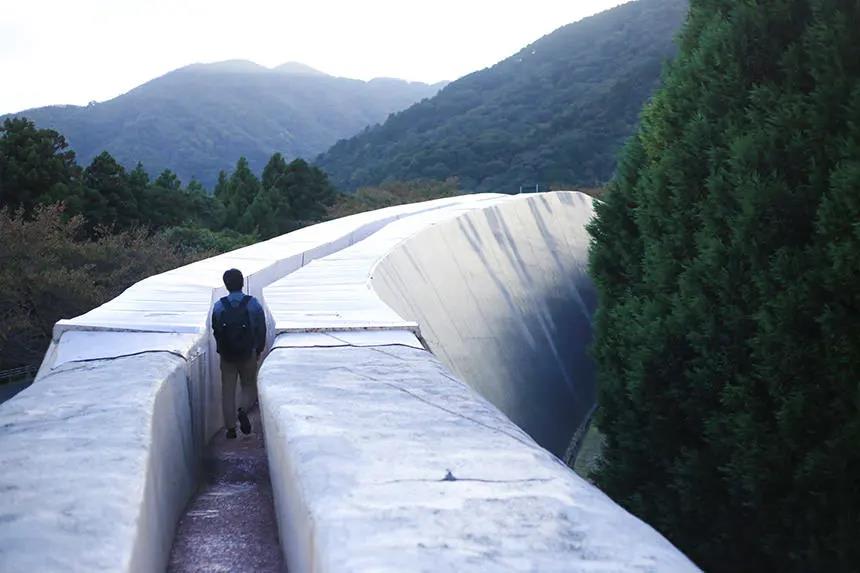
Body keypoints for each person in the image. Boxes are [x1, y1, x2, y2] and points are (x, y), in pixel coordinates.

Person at [211, 268, 267, 439]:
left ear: (226, 285)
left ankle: (230, 429)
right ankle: (242, 410)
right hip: (248, 353)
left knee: (227, 390)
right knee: (248, 385)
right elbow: (261, 328)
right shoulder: (253, 304)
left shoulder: (219, 306)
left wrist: (222, 349)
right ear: (242, 283)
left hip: (227, 355)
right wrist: (258, 349)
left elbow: (216, 330)